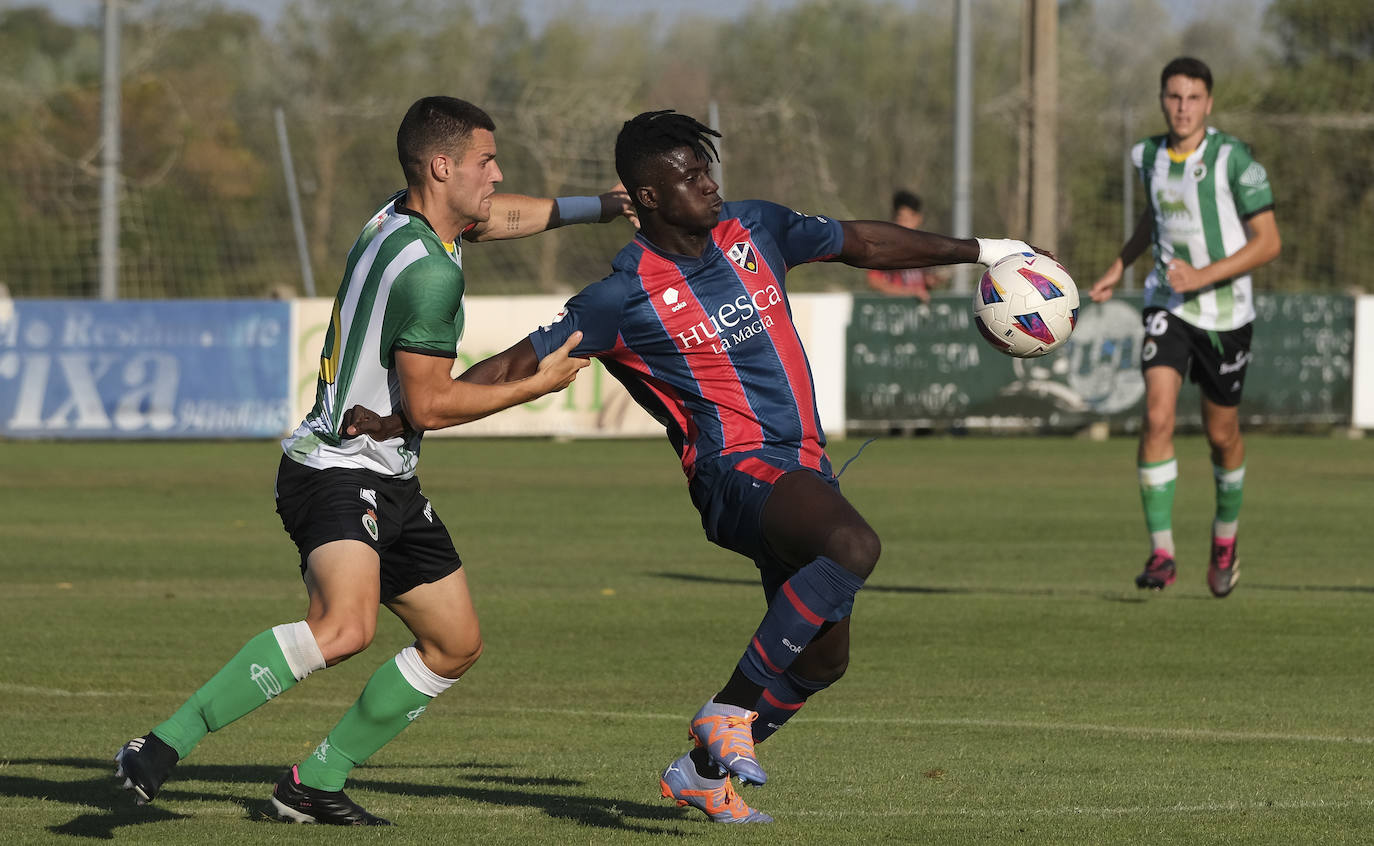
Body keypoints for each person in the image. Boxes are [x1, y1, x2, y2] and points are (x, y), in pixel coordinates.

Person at [351, 109, 1039, 823]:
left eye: (706, 170)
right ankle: (728, 711)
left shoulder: (756, 229)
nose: (708, 186)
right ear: (647, 197)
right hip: (733, 475)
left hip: (802, 472)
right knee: (855, 546)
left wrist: (987, 249)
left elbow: (860, 240)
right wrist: (407, 416)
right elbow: (521, 361)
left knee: (823, 661)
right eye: (689, 177)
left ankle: (703, 773)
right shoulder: (623, 294)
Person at [112, 95, 634, 825]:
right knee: (344, 628)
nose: (498, 173)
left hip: (384, 474)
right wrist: (532, 385)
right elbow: (430, 408)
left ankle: (311, 784)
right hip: (333, 469)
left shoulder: (400, 214)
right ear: (443, 165)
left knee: (454, 644)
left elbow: (503, 216)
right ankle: (159, 748)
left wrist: (599, 207)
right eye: (487, 160)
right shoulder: (430, 276)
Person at [1089, 57, 1280, 597]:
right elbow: (1152, 215)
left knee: (1223, 437)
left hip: (1226, 316)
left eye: (1193, 97)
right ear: (1161, 99)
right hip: (1166, 305)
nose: (1182, 107)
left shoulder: (1233, 159)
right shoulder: (1147, 155)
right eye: (1173, 96)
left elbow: (1269, 242)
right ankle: (1162, 552)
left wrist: (1202, 276)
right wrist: (1118, 265)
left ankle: (1225, 539)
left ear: (1209, 103)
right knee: (1156, 417)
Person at [864, 189, 946, 302]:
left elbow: (922, 283)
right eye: (900, 219)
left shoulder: (923, 248)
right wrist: (910, 293)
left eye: (907, 220)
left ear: (918, 219)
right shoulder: (884, 248)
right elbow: (874, 282)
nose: (904, 225)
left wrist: (930, 282)